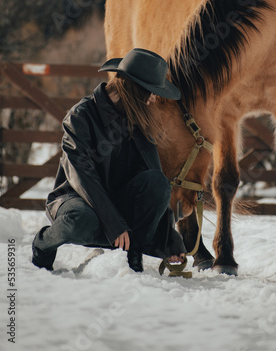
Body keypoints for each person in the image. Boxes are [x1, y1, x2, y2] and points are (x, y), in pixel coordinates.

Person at [32, 48, 186, 273]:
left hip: (118, 203)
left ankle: (133, 258)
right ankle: (43, 243)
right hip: (76, 199)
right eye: (152, 91)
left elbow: (155, 185)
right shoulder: (80, 116)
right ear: (135, 88)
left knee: (157, 181)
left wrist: (171, 239)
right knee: (81, 220)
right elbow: (83, 177)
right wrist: (114, 224)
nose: (154, 98)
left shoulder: (140, 122)